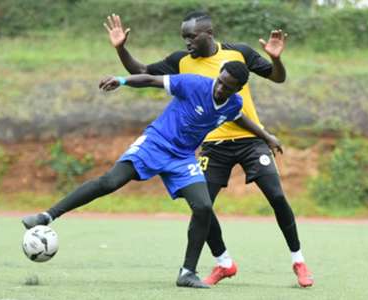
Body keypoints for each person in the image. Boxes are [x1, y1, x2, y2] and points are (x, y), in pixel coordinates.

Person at [21, 61, 282, 289]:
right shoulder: (193, 84)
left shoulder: (233, 102)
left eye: (227, 86)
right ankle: (47, 215)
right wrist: (121, 80)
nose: (220, 88)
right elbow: (150, 79)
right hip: (155, 144)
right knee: (110, 181)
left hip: (182, 158)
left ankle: (187, 273)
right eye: (220, 81)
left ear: (238, 89)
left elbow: (240, 118)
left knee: (203, 206)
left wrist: (267, 136)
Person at [103, 12, 314, 287]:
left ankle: (298, 260)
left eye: (191, 36)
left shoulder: (240, 54)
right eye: (184, 38)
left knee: (276, 195)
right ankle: (224, 262)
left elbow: (277, 77)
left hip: (250, 140)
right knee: (203, 206)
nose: (187, 42)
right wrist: (121, 49)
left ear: (209, 33)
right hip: (213, 146)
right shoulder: (180, 61)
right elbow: (141, 72)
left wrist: (275, 59)